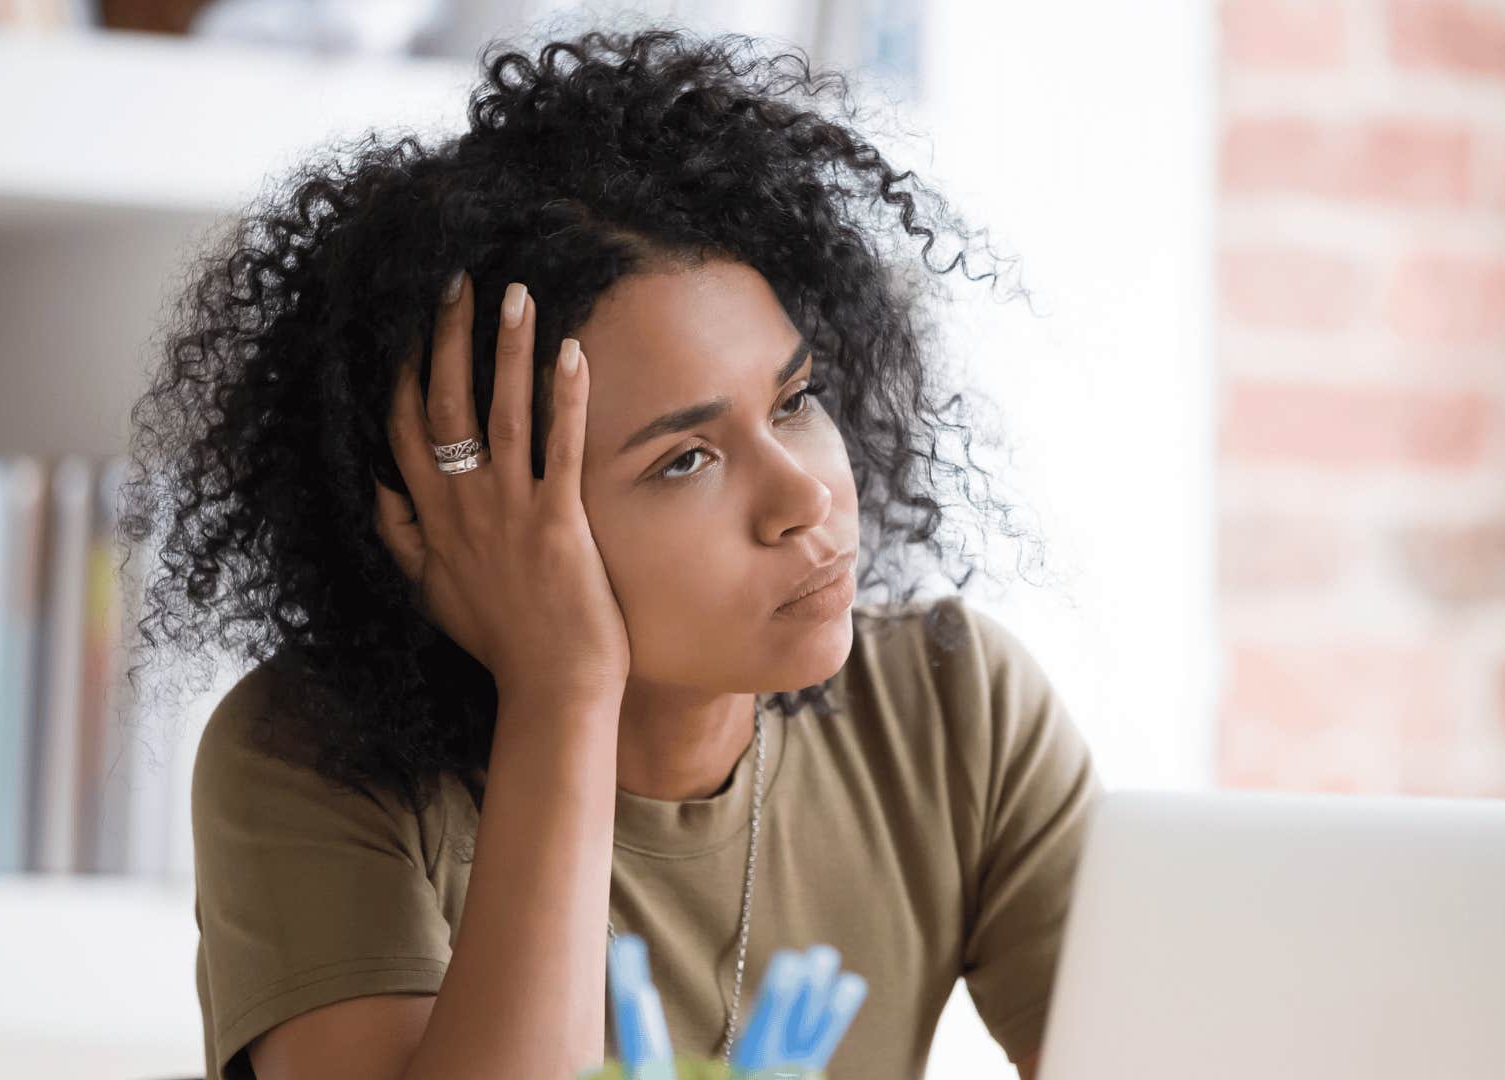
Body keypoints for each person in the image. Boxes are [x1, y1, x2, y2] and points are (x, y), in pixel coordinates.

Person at [120, 19, 1102, 1080]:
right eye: (684, 459)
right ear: (476, 516)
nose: (803, 493)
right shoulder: (313, 759)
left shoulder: (954, 710)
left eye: (795, 400)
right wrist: (562, 689)